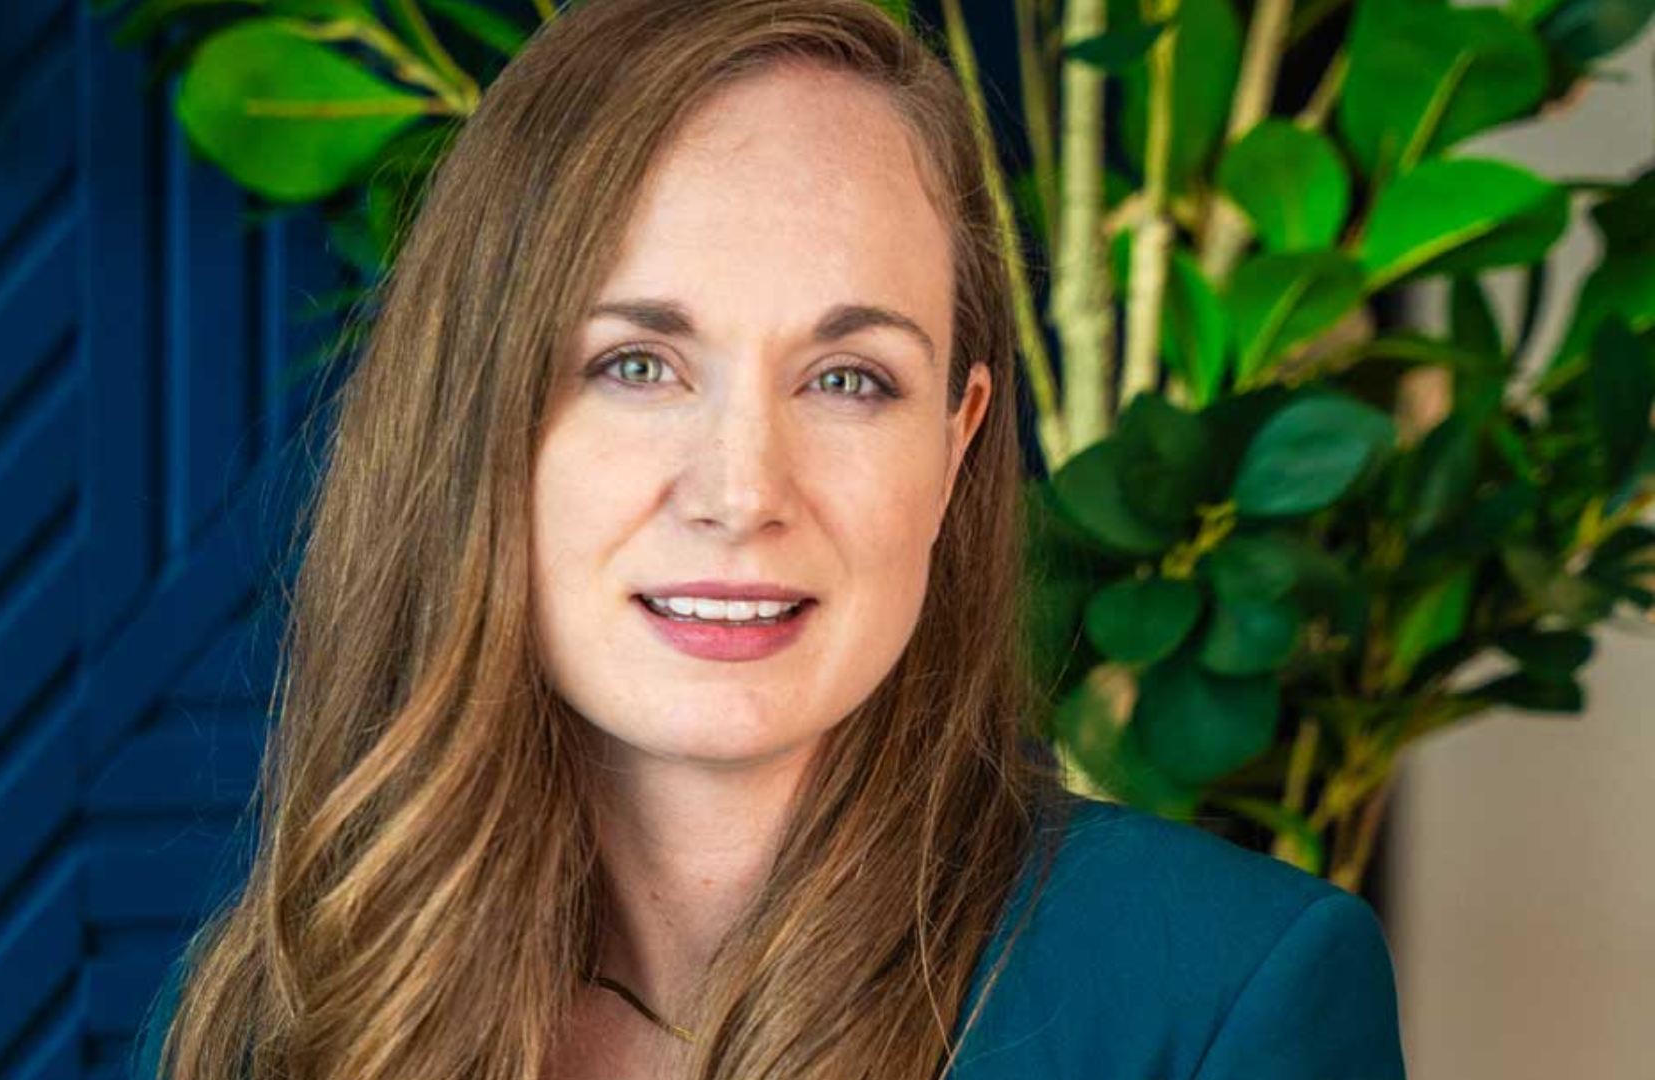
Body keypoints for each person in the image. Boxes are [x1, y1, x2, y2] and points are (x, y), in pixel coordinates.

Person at [134, 1, 1407, 1078]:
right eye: (637, 363)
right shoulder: (283, 1005)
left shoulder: (1226, 999)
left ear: (959, 438)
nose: (742, 491)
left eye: (849, 378)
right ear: (480, 411)